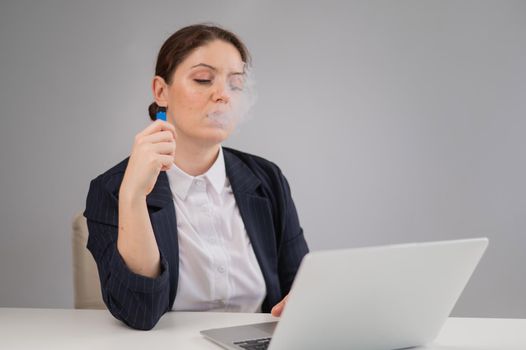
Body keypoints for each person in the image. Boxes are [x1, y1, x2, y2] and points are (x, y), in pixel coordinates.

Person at [83, 24, 309, 330]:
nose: (222, 96)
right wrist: (134, 195)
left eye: (236, 84)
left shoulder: (267, 179)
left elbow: (300, 286)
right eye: (203, 79)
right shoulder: (112, 189)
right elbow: (139, 311)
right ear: (161, 91)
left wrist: (303, 300)